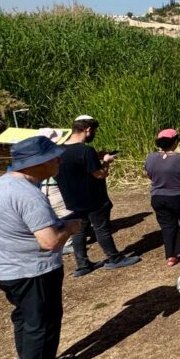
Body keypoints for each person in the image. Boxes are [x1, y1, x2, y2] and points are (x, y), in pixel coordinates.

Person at [0, 136, 83, 359]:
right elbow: (49, 242)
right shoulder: (27, 194)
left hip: (5, 269)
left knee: (26, 320)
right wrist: (70, 227)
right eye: (53, 157)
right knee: (42, 322)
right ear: (37, 163)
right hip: (32, 270)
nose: (59, 160)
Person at [54, 115, 139, 277]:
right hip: (93, 199)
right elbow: (100, 174)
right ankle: (114, 258)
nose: (94, 135)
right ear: (88, 130)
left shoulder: (59, 150)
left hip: (72, 200)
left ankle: (82, 265)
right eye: (94, 131)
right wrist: (106, 161)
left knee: (79, 232)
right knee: (102, 229)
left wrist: (96, 157)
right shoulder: (86, 150)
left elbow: (76, 167)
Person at [144, 129, 180, 266]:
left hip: (158, 197)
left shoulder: (150, 157)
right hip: (179, 196)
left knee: (167, 226)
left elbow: (149, 174)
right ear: (175, 142)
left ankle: (171, 256)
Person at [36, 128, 73, 255]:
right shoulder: (50, 154)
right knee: (65, 213)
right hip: (53, 187)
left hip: (46, 187)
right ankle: (67, 244)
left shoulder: (37, 152)